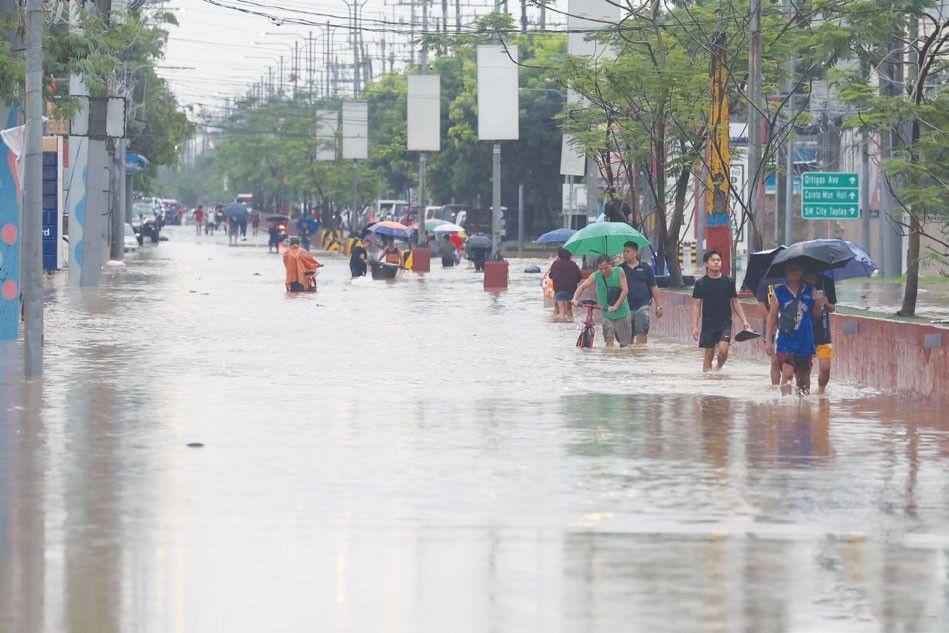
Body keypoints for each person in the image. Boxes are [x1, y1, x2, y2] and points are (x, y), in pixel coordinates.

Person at [767, 260, 825, 395]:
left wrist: (818, 302)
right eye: (791, 269)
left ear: (802, 271)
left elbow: (816, 315)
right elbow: (772, 316)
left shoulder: (811, 290)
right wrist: (769, 340)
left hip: (805, 341)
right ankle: (785, 405)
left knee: (803, 380)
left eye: (797, 269)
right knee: (787, 374)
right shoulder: (779, 292)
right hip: (786, 342)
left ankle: (803, 409)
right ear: (786, 272)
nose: (794, 272)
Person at [691, 249, 751, 371]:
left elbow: (735, 301)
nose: (716, 262)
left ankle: (718, 369)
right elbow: (697, 305)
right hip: (708, 324)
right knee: (708, 354)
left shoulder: (728, 281)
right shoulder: (700, 283)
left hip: (725, 324)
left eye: (718, 260)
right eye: (713, 260)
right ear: (706, 264)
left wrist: (744, 321)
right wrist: (695, 326)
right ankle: (708, 380)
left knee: (723, 351)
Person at [572, 254, 631, 348]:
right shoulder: (596, 275)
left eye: (606, 268)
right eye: (601, 269)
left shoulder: (619, 272)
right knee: (609, 341)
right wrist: (575, 298)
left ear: (611, 264)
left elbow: (625, 290)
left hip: (622, 314)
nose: (603, 271)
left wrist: (616, 306)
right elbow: (582, 286)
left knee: (624, 346)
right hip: (607, 314)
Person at [620, 241, 663, 343]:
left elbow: (654, 287)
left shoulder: (645, 268)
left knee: (642, 332)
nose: (625, 254)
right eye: (624, 251)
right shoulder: (620, 269)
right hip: (625, 308)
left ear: (635, 253)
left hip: (642, 306)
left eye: (628, 251)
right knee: (626, 341)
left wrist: (659, 306)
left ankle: (641, 357)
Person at [804, 271, 837, 394]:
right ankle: (803, 397)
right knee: (805, 370)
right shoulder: (799, 282)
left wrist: (824, 302)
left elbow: (832, 308)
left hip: (823, 333)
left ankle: (821, 393)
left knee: (825, 369)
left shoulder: (826, 281)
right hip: (804, 333)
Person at [548, 248, 581, 318]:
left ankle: (561, 327)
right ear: (569, 255)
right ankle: (569, 326)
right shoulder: (573, 264)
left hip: (558, 290)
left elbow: (550, 276)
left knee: (561, 312)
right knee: (569, 311)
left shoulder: (555, 264)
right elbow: (579, 277)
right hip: (570, 291)